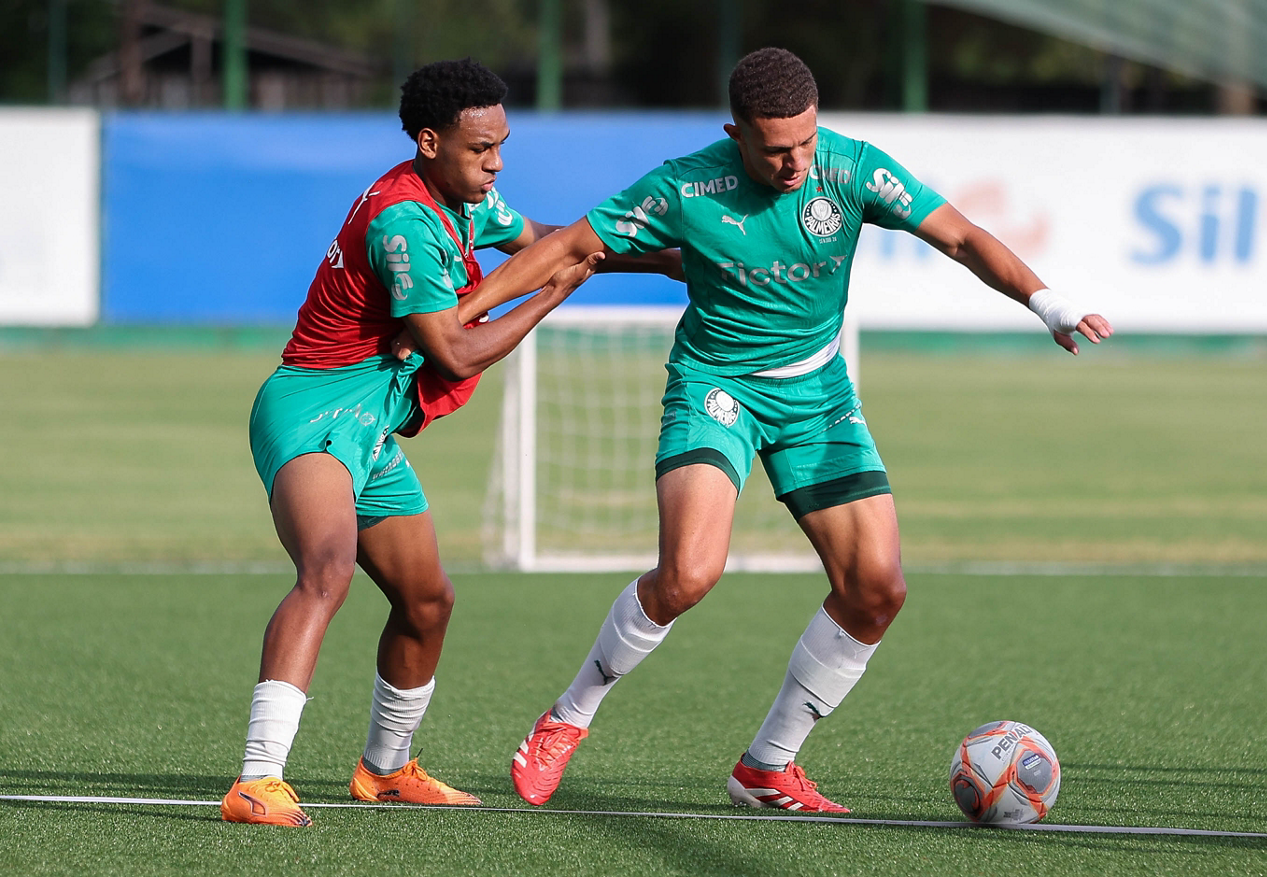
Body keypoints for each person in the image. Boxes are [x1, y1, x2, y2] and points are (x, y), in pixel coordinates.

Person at [463, 47, 1113, 813]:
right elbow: (572, 246)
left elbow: (963, 237)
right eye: (776, 148)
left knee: (876, 588)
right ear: (736, 133)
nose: (796, 161)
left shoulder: (852, 168)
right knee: (689, 574)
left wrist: (1048, 302)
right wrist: (463, 315)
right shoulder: (686, 184)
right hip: (717, 390)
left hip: (818, 397)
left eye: (806, 141)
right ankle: (567, 718)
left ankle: (767, 764)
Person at [219, 58, 660, 827]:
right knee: (326, 571)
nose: (495, 163)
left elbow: (550, 240)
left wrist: (676, 262)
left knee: (427, 600)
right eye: (478, 148)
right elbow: (456, 351)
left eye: (501, 145)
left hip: (370, 426)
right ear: (429, 141)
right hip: (312, 411)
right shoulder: (404, 221)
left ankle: (384, 770)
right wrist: (556, 293)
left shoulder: (464, 200)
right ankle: (257, 778)